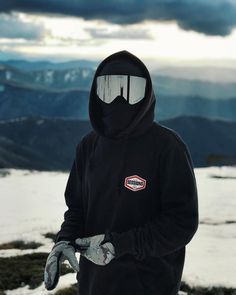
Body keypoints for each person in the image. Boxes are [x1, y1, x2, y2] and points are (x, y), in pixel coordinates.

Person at [44, 50, 199, 295]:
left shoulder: (167, 147)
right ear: (96, 95)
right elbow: (77, 208)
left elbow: (181, 223)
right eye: (109, 89)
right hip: (94, 283)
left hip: (151, 284)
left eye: (131, 90)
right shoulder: (89, 146)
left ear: (146, 95)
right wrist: (65, 239)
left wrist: (119, 245)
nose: (119, 100)